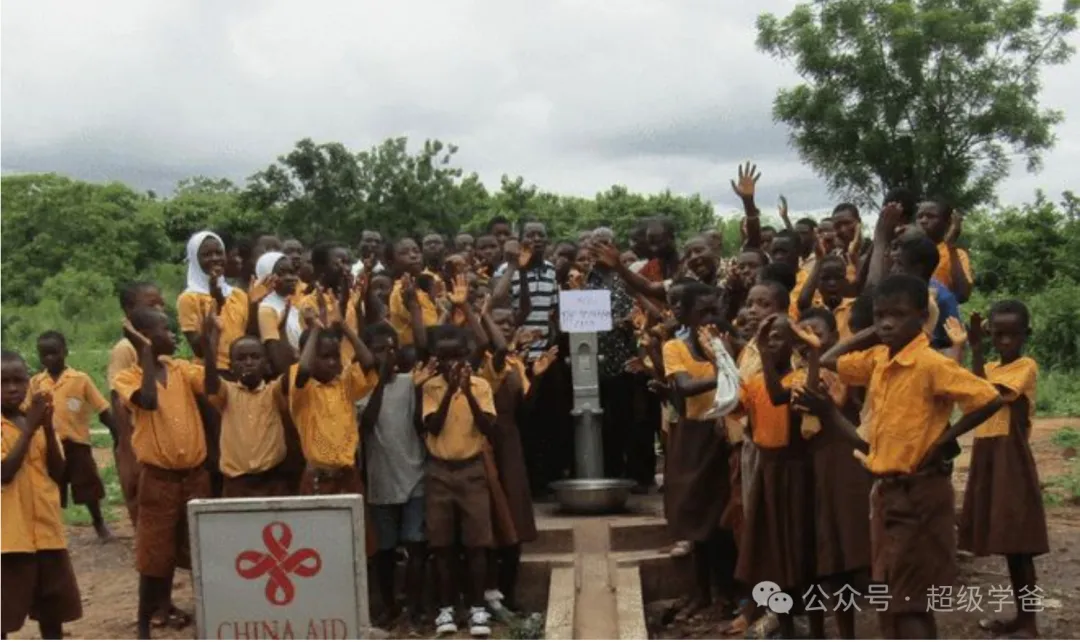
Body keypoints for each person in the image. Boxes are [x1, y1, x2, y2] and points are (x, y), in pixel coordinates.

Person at [821, 274, 1003, 639]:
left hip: (918, 493)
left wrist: (942, 440)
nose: (887, 323)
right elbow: (828, 359)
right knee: (893, 593)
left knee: (910, 601)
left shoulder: (930, 364)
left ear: (922, 317)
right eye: (880, 315)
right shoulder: (879, 361)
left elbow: (988, 398)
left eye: (898, 315)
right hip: (887, 492)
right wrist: (873, 331)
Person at [112, 307, 214, 639]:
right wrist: (144, 355)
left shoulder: (182, 369)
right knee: (153, 555)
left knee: (201, 547)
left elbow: (211, 384)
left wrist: (211, 343)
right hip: (159, 479)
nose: (172, 336)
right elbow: (149, 401)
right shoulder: (127, 377)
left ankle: (212, 613)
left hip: (195, 475)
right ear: (146, 337)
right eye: (164, 331)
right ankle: (144, 624)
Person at [959, 301, 1048, 639]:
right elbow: (973, 392)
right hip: (987, 456)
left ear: (1026, 335)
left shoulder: (1025, 366)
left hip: (1011, 460)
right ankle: (1021, 618)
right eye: (997, 335)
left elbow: (985, 395)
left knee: (1021, 543)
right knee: (1009, 543)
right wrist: (978, 351)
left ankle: (1029, 622)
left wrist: (977, 350)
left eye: (1012, 334)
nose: (1004, 341)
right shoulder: (992, 366)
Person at [788, 308, 869, 639]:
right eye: (802, 334)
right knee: (823, 557)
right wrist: (815, 357)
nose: (809, 339)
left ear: (834, 337)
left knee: (851, 552)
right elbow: (807, 404)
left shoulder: (851, 369)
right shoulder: (797, 375)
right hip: (812, 468)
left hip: (846, 466)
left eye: (817, 333)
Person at [734, 315, 817, 640]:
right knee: (769, 548)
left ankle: (805, 620)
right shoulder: (754, 382)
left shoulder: (798, 379)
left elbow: (779, 396)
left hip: (793, 471)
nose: (770, 344)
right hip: (767, 469)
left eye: (777, 338)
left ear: (793, 344)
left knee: (795, 545)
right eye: (765, 339)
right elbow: (744, 416)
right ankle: (779, 620)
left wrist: (766, 357)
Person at [480, 305, 559, 615]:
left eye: (510, 321)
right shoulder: (482, 360)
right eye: (499, 322)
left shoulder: (516, 364)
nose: (507, 326)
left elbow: (525, 411)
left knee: (515, 520)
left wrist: (536, 378)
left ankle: (508, 596)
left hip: (511, 443)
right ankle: (487, 594)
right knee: (491, 520)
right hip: (487, 443)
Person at [421, 326, 498, 637]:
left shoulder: (479, 386)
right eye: (445, 358)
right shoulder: (429, 388)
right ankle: (446, 608)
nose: (452, 363)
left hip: (472, 469)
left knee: (477, 543)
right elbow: (433, 427)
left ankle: (478, 607)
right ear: (437, 360)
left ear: (467, 357)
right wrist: (448, 394)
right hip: (439, 471)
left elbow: (488, 427)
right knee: (442, 545)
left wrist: (465, 392)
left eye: (457, 356)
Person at [661, 283, 734, 616]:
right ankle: (700, 592)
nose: (709, 320)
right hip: (694, 435)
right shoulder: (676, 347)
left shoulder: (729, 344)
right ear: (687, 315)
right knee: (693, 514)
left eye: (714, 312)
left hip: (725, 436)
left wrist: (725, 355)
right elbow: (684, 387)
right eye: (702, 313)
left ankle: (725, 593)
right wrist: (722, 371)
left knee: (722, 520)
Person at [2, 351, 83, 640]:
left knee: (53, 612)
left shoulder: (34, 420)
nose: (12, 388)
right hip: (10, 538)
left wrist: (46, 427)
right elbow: (5, 472)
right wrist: (31, 428)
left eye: (18, 380)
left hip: (47, 531)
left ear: (29, 382)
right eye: (3, 382)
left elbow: (59, 472)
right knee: (5, 615)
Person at [356, 324, 427, 625]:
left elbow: (419, 420)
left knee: (416, 544)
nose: (386, 355)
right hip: (381, 481)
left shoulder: (412, 382)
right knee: (384, 551)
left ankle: (413, 606)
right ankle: (389, 605)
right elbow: (367, 424)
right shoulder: (360, 386)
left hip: (415, 477)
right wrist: (380, 385)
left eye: (391, 348)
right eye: (379, 349)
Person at [30, 331, 116, 540]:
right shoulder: (36, 383)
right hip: (49, 446)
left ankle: (99, 523)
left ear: (65, 352)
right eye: (44, 355)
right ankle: (53, 529)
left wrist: (118, 432)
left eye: (54, 353)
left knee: (88, 486)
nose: (49, 358)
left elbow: (102, 409)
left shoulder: (80, 379)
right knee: (52, 488)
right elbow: (28, 411)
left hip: (76, 443)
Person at [286, 312, 377, 496]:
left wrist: (345, 328)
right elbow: (304, 369)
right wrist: (315, 330)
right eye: (325, 357)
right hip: (318, 478)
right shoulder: (302, 389)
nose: (332, 363)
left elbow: (368, 362)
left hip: (347, 475)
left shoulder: (345, 382)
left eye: (336, 357)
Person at [204, 328, 289, 498]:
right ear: (231, 367)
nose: (249, 362)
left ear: (266, 364)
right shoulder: (226, 392)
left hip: (271, 480)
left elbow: (290, 375)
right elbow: (211, 382)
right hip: (237, 483)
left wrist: (281, 333)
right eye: (241, 359)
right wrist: (210, 344)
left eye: (255, 357)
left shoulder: (273, 392)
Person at [108, 282, 167, 527]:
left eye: (160, 302)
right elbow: (117, 399)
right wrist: (126, 446)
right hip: (134, 435)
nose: (161, 307)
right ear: (131, 309)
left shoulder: (155, 344)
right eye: (152, 304)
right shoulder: (127, 348)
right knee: (138, 490)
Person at [177, 231, 251, 372]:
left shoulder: (238, 295)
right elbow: (199, 350)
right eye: (207, 255)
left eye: (219, 253)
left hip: (241, 370)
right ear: (195, 259)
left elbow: (247, 333)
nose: (215, 258)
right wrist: (217, 305)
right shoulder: (188, 299)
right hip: (210, 373)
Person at [254, 251, 302, 374]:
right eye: (282, 273)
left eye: (292, 272)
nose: (291, 278)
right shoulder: (266, 309)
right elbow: (277, 358)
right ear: (266, 276)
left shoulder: (292, 307)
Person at [916, 199, 973, 302]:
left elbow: (963, 294)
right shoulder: (904, 250)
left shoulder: (957, 254)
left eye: (931, 216)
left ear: (947, 223)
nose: (923, 221)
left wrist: (950, 246)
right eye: (919, 216)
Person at [388, 238, 439, 347]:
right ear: (392, 262)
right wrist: (446, 312)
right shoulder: (400, 292)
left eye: (416, 251)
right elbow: (431, 332)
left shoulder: (423, 286)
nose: (413, 256)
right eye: (404, 253)